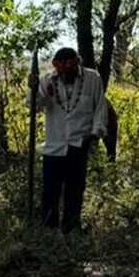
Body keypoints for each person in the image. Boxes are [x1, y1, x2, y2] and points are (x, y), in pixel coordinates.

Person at [28, 48, 107, 233]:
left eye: (69, 71)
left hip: (79, 143)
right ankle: (49, 228)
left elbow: (100, 107)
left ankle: (71, 227)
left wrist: (95, 133)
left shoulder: (92, 79)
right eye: (62, 72)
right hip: (54, 145)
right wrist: (36, 92)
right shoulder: (48, 80)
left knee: (75, 189)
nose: (66, 75)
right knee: (50, 191)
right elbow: (33, 106)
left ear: (77, 65)